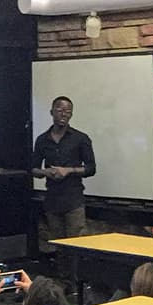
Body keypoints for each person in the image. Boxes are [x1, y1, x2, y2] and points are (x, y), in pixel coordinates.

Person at [32, 95, 96, 248]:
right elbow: (33, 169)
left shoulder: (81, 138)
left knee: (77, 243)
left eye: (68, 111)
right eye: (60, 110)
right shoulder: (42, 140)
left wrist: (69, 170)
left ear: (71, 115)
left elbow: (91, 168)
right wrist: (47, 172)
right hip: (52, 199)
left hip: (74, 199)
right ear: (51, 112)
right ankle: (61, 272)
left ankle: (77, 273)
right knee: (58, 244)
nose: (64, 114)